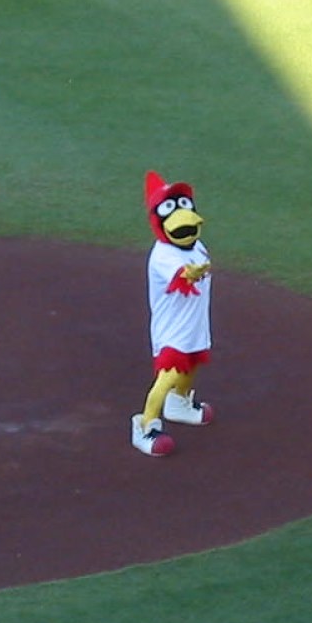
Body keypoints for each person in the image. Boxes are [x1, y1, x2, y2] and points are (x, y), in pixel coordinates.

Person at [131, 171, 213, 458]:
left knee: (192, 364)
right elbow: (181, 276)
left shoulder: (197, 245)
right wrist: (192, 273)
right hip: (172, 328)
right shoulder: (163, 255)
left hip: (195, 323)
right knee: (168, 375)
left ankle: (179, 404)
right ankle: (145, 426)